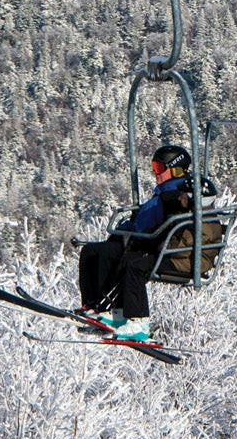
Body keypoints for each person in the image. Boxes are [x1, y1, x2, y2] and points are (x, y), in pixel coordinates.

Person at [77, 144, 217, 340]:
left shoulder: (181, 192)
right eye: (154, 168)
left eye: (159, 168)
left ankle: (134, 320)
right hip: (147, 241)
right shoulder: (163, 191)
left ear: (175, 169)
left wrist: (147, 236)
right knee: (91, 252)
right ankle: (96, 307)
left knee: (124, 260)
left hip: (165, 250)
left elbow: (178, 223)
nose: (155, 173)